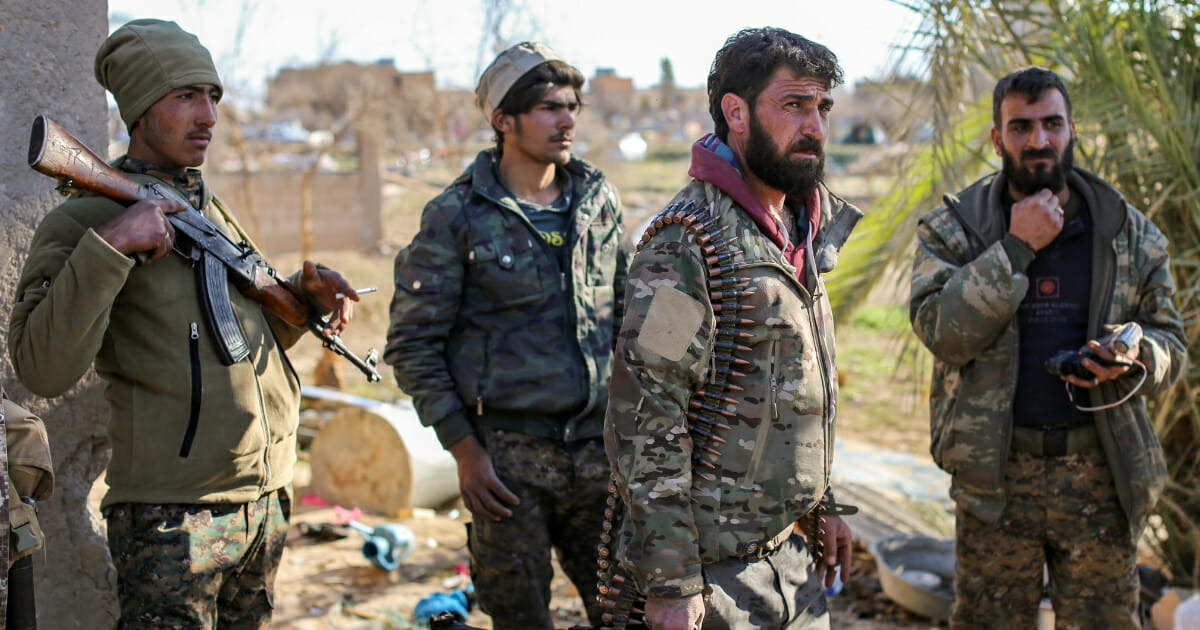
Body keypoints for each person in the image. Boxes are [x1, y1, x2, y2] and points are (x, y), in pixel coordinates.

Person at [8, 19, 361, 628]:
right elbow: (42, 367)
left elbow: (232, 346)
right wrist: (112, 245)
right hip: (175, 516)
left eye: (214, 96)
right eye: (186, 96)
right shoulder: (87, 218)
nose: (209, 116)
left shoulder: (206, 209)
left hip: (263, 501)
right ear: (140, 109)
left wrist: (302, 302)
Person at [909, 66, 1188, 629]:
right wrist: (1015, 248)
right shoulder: (955, 230)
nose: (1038, 140)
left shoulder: (1127, 233)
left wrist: (1133, 357)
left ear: (1071, 130)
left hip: (1101, 478)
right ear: (997, 138)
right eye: (1021, 127)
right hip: (996, 481)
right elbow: (941, 330)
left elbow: (1171, 343)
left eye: (1051, 124)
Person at [603, 27, 861, 630]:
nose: (816, 127)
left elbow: (793, 395)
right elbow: (646, 415)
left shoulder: (798, 227)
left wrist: (824, 505)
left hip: (791, 566)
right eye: (794, 106)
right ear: (736, 112)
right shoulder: (687, 244)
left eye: (822, 107)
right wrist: (671, 581)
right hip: (713, 578)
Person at [384, 42, 629, 630]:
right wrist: (465, 454)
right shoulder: (457, 215)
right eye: (548, 108)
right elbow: (412, 344)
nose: (566, 120)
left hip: (599, 454)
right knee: (520, 618)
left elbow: (625, 322)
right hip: (507, 464)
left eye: (571, 106)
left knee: (628, 613)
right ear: (503, 120)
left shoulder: (599, 203)